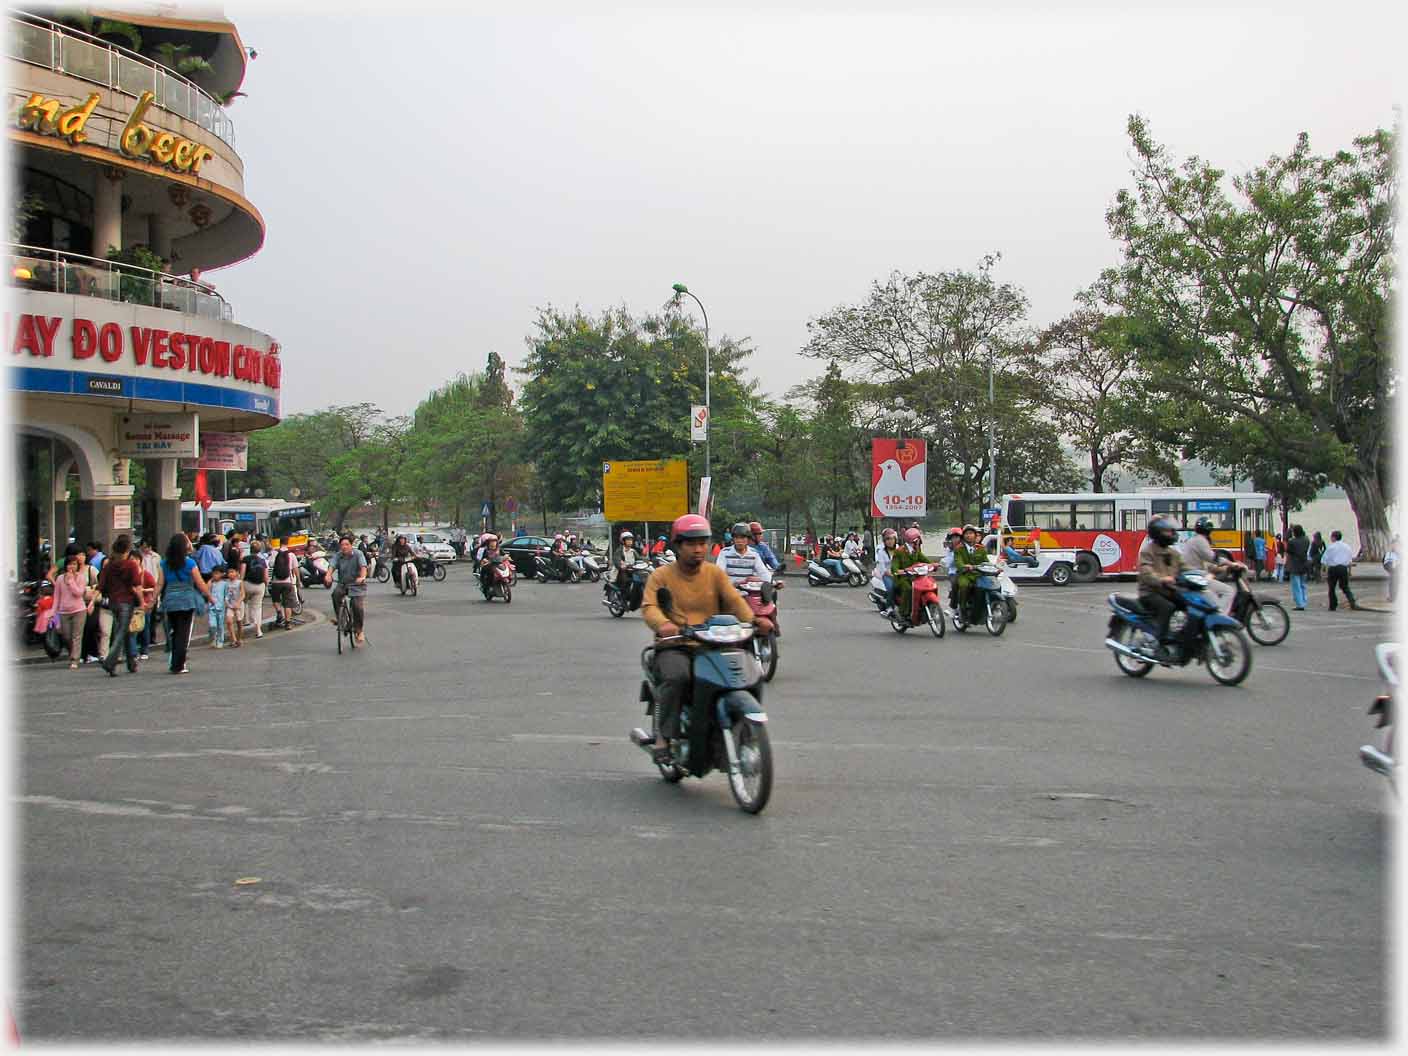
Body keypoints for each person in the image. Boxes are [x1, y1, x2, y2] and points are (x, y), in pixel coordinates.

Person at [640, 514, 768, 762]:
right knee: (678, 677)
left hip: (715, 643)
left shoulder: (714, 574)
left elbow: (733, 600)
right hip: (677, 645)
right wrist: (664, 624)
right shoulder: (661, 576)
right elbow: (649, 607)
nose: (698, 549)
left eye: (702, 543)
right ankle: (664, 738)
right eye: (691, 543)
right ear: (678, 546)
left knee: (748, 672)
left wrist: (753, 621)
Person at [159, 532, 214, 673]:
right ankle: (178, 664)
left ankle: (174, 661)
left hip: (170, 599)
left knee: (174, 631)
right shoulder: (189, 563)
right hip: (186, 600)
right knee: (183, 634)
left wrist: (152, 600)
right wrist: (209, 596)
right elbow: (200, 582)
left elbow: (159, 584)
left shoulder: (164, 563)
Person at [1137, 516, 1186, 659]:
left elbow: (1187, 567)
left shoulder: (1174, 553)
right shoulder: (1148, 551)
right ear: (1157, 533)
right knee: (1167, 607)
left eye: (1171, 531)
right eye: (1167, 531)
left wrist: (1210, 572)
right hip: (1150, 593)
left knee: (1190, 603)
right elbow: (1146, 572)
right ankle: (1158, 643)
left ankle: (1181, 636)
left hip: (1169, 590)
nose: (1171, 534)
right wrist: (1161, 579)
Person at [97, 535, 141, 676]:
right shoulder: (131, 565)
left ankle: (131, 662)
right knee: (121, 632)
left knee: (125, 630)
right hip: (126, 601)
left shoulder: (109, 566)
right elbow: (136, 585)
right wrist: (143, 602)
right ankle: (110, 662)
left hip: (113, 602)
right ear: (127, 550)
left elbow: (101, 585)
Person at [1180, 518, 1240, 614]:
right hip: (1196, 576)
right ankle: (1221, 618)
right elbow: (1214, 558)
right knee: (1228, 591)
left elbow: (1206, 562)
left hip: (1192, 575)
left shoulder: (1193, 540)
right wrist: (1231, 563)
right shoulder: (1200, 540)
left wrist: (1219, 568)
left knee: (1214, 593)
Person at [53, 550, 95, 669]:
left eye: (75, 564)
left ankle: (75, 659)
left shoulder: (81, 577)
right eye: (70, 564)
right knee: (66, 636)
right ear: (66, 565)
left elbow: (79, 593)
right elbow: (56, 596)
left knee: (77, 636)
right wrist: (53, 612)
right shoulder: (60, 578)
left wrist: (71, 581)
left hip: (79, 610)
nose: (72, 566)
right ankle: (73, 653)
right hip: (63, 611)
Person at [325, 533, 369, 643]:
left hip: (357, 585)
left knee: (357, 606)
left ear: (351, 545)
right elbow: (332, 566)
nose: (344, 546)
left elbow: (363, 567)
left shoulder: (358, 554)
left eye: (346, 544)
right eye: (342, 545)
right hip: (343, 584)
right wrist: (328, 575)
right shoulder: (338, 555)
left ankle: (359, 630)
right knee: (335, 594)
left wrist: (362, 577)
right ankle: (341, 619)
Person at [890, 527, 931, 622]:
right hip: (903, 578)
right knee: (908, 589)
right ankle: (903, 612)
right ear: (913, 540)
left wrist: (932, 564)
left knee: (925, 585)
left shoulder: (916, 550)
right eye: (918, 539)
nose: (919, 541)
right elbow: (894, 565)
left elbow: (924, 559)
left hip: (915, 577)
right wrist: (898, 570)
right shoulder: (899, 551)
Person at [952, 524, 987, 619]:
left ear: (975, 535)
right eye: (966, 534)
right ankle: (962, 610)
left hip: (978, 574)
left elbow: (986, 561)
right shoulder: (959, 549)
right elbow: (958, 562)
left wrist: (995, 567)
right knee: (964, 585)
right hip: (964, 574)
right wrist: (964, 566)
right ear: (963, 536)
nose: (968, 535)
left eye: (971, 533)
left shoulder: (981, 548)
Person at [137, 538, 163, 656]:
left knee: (151, 617)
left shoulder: (156, 557)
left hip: (153, 586)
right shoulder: (138, 556)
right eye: (143, 546)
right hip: (143, 588)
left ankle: (150, 638)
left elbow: (159, 570)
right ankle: (141, 643)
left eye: (147, 546)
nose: (145, 549)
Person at [1322, 530, 1360, 612]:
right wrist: (1349, 571)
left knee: (1331, 588)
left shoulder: (1331, 547)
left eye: (1331, 537)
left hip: (1333, 568)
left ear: (1334, 537)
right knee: (1345, 586)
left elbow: (1324, 560)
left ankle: (1333, 605)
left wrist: (1324, 571)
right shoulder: (1347, 547)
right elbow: (1349, 561)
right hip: (1343, 568)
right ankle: (1352, 602)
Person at [268, 542, 299, 628]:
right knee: (287, 604)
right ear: (287, 543)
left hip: (275, 582)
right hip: (288, 582)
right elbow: (295, 569)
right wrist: (298, 581)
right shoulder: (291, 555)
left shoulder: (274, 554)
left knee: (275, 600)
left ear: (280, 543)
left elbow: (270, 565)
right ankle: (288, 623)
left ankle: (279, 611)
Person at [242, 540, 268, 638]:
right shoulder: (263, 560)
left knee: (244, 601)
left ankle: (246, 620)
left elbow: (242, 573)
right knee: (257, 607)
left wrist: (240, 583)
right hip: (260, 585)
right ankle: (258, 630)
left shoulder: (245, 559)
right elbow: (266, 577)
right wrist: (265, 585)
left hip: (247, 583)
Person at [873, 526, 899, 615]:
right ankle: (889, 607)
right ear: (884, 540)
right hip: (885, 574)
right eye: (888, 539)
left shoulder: (898, 548)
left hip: (897, 572)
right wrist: (891, 574)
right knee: (891, 588)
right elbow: (882, 567)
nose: (890, 541)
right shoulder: (881, 551)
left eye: (892, 538)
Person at [1286, 524, 1311, 611]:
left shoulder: (1291, 541)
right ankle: (1304, 601)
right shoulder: (1307, 540)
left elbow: (1289, 552)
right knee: (1303, 585)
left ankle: (1299, 604)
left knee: (1296, 586)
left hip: (1295, 565)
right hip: (1304, 564)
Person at [207, 565, 230, 648]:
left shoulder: (225, 584)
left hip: (221, 607)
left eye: (217, 573)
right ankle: (212, 638)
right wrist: (210, 581)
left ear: (222, 574)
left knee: (220, 625)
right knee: (212, 625)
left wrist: (226, 601)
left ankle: (220, 640)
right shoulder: (211, 583)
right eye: (213, 574)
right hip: (211, 607)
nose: (214, 575)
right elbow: (207, 591)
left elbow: (227, 594)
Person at [224, 564, 246, 647]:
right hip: (230, 605)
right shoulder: (226, 583)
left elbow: (243, 594)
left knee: (239, 622)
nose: (230, 574)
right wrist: (226, 603)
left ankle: (239, 638)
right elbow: (225, 594)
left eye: (232, 572)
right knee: (229, 621)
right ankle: (234, 639)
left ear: (237, 573)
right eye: (229, 572)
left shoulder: (240, 582)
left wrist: (239, 602)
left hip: (239, 605)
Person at [1385, 536, 1400, 603]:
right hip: (1393, 570)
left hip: (1396, 570)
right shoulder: (1392, 552)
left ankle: (1393, 597)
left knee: (1394, 584)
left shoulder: (1398, 552)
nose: (1393, 546)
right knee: (1392, 584)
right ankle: (1392, 597)